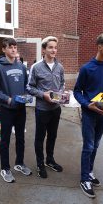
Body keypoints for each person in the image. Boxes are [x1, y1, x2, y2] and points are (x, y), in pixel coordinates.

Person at [73, 33, 103, 198]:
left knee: (96, 145)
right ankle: (84, 179)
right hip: (89, 113)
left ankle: (90, 171)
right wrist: (87, 104)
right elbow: (77, 91)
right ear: (100, 46)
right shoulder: (86, 68)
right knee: (88, 146)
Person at [0, 38, 32, 183]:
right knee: (5, 140)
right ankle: (5, 168)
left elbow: (26, 85)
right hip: (7, 110)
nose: (13, 49)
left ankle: (19, 163)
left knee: (20, 138)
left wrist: (27, 96)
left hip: (21, 109)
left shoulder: (20, 66)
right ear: (4, 49)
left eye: (15, 47)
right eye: (10, 47)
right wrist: (7, 99)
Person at [27, 36, 65, 178]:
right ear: (44, 49)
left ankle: (50, 160)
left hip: (56, 109)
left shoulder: (59, 67)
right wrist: (43, 95)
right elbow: (29, 87)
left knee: (53, 136)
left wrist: (61, 93)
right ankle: (40, 163)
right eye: (50, 47)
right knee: (40, 137)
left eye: (55, 47)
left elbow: (62, 83)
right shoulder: (35, 67)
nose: (54, 50)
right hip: (42, 110)